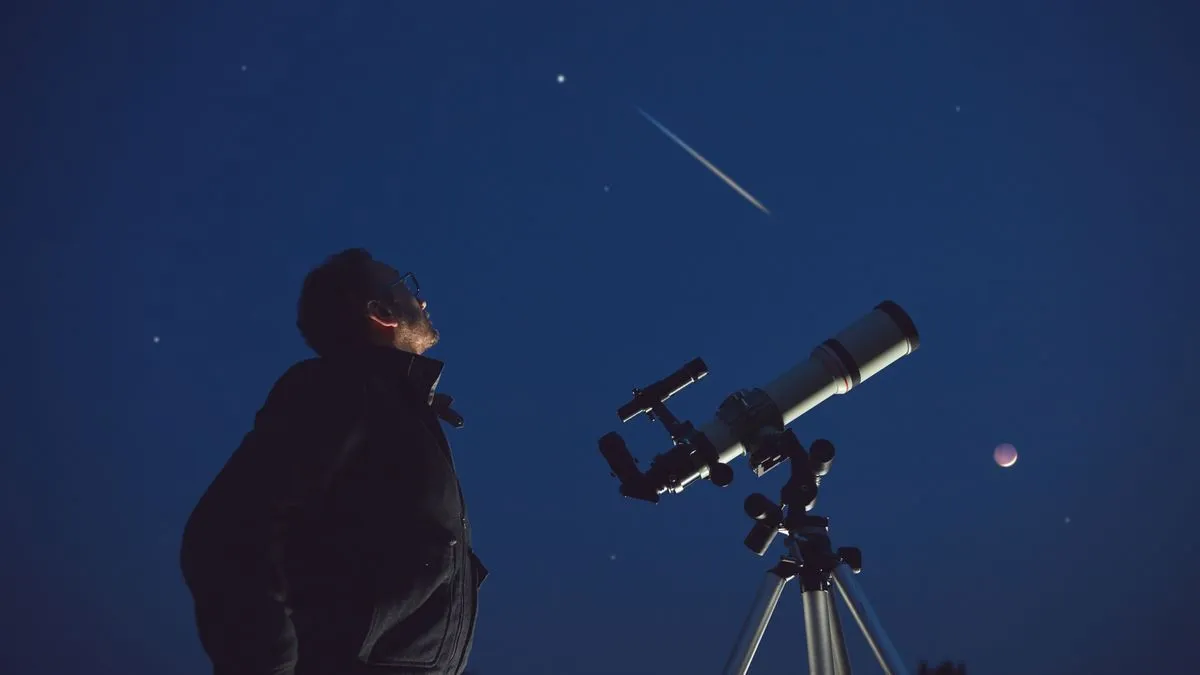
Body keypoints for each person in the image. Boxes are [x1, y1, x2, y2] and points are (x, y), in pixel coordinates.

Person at [180, 248, 486, 675]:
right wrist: (266, 665)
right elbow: (224, 532)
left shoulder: (397, 409)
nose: (422, 299)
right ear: (380, 312)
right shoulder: (338, 390)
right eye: (406, 286)